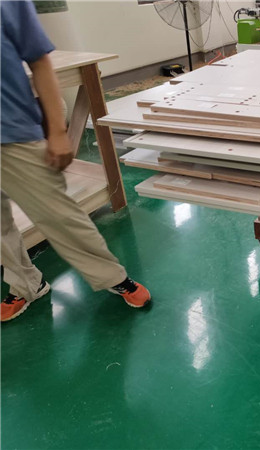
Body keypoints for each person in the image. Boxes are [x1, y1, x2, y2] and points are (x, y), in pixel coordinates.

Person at [0, 0, 151, 322]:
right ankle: (26, 284)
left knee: (59, 214)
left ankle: (114, 277)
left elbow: (39, 60)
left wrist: (57, 130)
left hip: (11, 131)